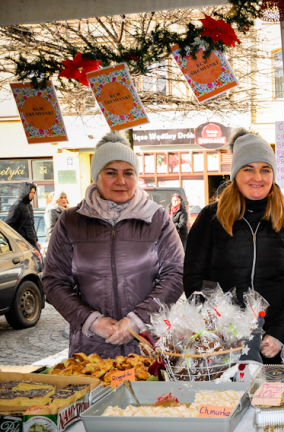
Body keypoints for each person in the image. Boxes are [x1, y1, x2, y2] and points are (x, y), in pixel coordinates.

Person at [42, 132, 184, 357]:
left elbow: (175, 274)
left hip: (147, 345)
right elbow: (54, 281)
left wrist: (137, 321)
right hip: (90, 349)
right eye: (111, 173)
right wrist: (92, 321)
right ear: (96, 176)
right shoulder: (70, 221)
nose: (121, 181)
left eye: (128, 173)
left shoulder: (157, 218)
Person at [184, 129, 284, 364]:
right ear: (235, 174)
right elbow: (194, 278)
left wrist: (279, 334)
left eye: (265, 169)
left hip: (274, 345)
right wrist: (225, 327)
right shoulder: (210, 218)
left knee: (276, 400)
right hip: (223, 345)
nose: (258, 177)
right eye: (248, 169)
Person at [5, 182, 39, 249]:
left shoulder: (29, 205)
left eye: (34, 192)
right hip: (23, 244)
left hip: (32, 242)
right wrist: (18, 240)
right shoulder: (17, 206)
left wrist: (36, 240)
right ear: (25, 192)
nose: (33, 194)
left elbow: (31, 225)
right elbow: (8, 225)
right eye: (31, 192)